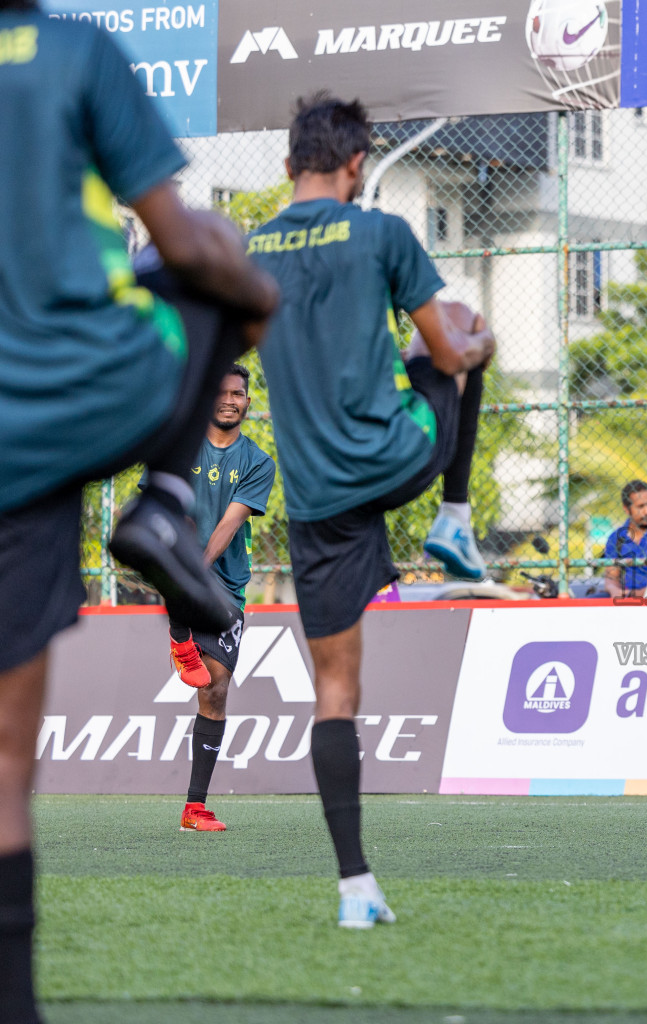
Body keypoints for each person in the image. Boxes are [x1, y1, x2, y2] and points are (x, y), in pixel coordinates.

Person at [0, 5, 279, 1018]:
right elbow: (178, 238)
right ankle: (163, 498)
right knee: (211, 278)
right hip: (47, 426)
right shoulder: (76, 52)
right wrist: (254, 293)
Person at [249, 94, 496, 928]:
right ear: (357, 167)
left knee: (334, 692)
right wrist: (477, 350)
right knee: (464, 325)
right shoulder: (382, 232)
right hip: (398, 460)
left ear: (288, 167)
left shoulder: (251, 253)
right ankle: (454, 519)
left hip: (315, 499)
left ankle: (355, 886)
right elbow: (448, 349)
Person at [162, 364, 277, 833]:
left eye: (239, 394)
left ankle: (195, 808)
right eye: (222, 392)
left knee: (215, 687)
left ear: (249, 403)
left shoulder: (258, 462)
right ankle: (178, 634)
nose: (230, 400)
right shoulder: (181, 446)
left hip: (226, 585)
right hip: (178, 561)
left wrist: (196, 573)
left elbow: (229, 526)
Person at [603, 480, 647, 599]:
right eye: (641, 506)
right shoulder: (617, 538)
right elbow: (611, 577)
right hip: (627, 599)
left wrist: (638, 594)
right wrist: (614, 590)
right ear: (626, 509)